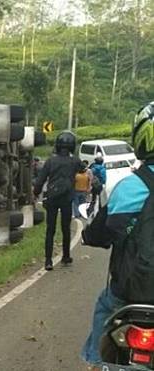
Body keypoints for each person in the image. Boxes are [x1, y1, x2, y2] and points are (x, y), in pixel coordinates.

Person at [80, 101, 154, 369]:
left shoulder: (131, 186)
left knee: (105, 305)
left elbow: (100, 233)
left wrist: (89, 236)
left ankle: (96, 362)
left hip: (130, 293)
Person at [33, 131, 84, 270]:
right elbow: (83, 169)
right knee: (66, 228)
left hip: (52, 198)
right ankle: (66, 256)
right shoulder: (74, 161)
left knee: (50, 229)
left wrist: (35, 194)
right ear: (72, 146)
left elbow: (40, 180)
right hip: (67, 198)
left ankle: (48, 261)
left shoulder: (50, 161)